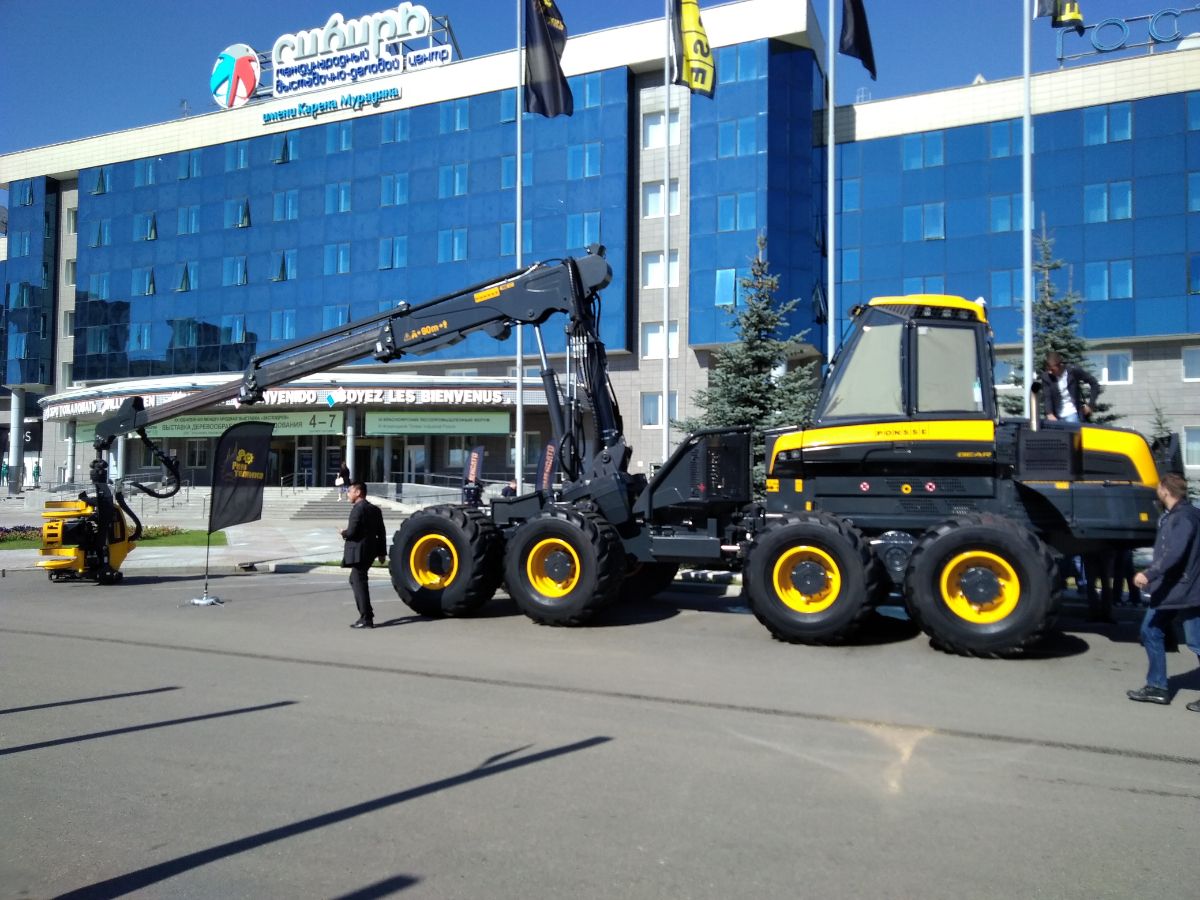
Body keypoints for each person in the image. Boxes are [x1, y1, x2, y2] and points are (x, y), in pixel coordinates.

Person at [1126, 473, 1200, 709]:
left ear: (1165, 490)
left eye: (1159, 487)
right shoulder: (1178, 515)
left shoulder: (1184, 518)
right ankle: (1157, 687)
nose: (1157, 490)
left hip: (1186, 591)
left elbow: (1175, 554)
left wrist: (1148, 574)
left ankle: (1157, 686)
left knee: (1197, 642)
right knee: (1150, 630)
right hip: (1173, 590)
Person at [340, 480, 388, 629]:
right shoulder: (375, 509)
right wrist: (381, 553)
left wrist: (343, 533)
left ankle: (366, 617)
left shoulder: (357, 509)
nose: (347, 494)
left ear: (358, 492)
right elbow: (382, 532)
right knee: (355, 580)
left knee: (358, 581)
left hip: (359, 552)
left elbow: (352, 532)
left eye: (349, 491)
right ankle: (367, 614)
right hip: (370, 551)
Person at [1039, 350, 1102, 423]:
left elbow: (1094, 383)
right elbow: (1047, 396)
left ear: (1060, 365)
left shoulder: (1073, 370)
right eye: (1048, 370)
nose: (1050, 372)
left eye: (1052, 369)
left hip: (1072, 413)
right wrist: (1049, 413)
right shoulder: (1046, 377)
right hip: (1056, 416)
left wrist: (1091, 404)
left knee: (1072, 430)